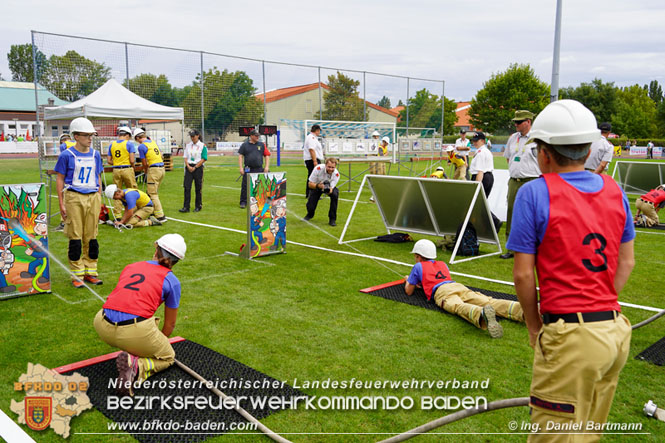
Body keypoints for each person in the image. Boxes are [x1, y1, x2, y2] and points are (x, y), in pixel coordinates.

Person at [508, 99, 634, 440]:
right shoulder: (614, 190)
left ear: (544, 153)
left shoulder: (535, 193)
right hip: (614, 330)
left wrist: (534, 327)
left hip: (571, 336)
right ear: (589, 146)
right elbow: (627, 261)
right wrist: (602, 300)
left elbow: (522, 274)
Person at [93, 234, 186, 396]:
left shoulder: (132, 266)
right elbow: (170, 325)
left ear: (156, 248)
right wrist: (156, 346)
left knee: (150, 321)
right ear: (177, 261)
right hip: (133, 332)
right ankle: (137, 367)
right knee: (168, 357)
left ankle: (136, 348)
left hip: (101, 324)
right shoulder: (172, 281)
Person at [405, 239, 524, 338]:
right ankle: (521, 310)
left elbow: (409, 291)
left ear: (418, 256)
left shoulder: (418, 266)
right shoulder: (442, 264)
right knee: (488, 301)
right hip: (457, 286)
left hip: (442, 292)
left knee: (458, 306)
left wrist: (408, 280)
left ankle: (481, 314)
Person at [54, 117, 104, 288]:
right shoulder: (67, 155)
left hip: (92, 196)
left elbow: (97, 176)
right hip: (74, 196)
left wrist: (99, 197)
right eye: (86, 135)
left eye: (92, 135)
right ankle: (77, 274)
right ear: (76, 136)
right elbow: (59, 179)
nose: (90, 139)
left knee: (92, 236)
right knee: (75, 236)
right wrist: (61, 203)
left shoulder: (96, 154)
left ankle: (91, 270)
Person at [501, 110, 539, 259]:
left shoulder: (537, 138)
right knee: (511, 212)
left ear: (528, 122)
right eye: (515, 122)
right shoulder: (513, 138)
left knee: (533, 214)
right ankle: (511, 248)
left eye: (519, 122)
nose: (515, 124)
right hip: (514, 181)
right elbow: (508, 158)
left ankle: (534, 246)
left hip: (532, 180)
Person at [469, 132, 502, 231]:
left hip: (482, 177)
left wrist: (477, 185)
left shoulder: (481, 153)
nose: (474, 143)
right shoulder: (483, 151)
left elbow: (480, 171)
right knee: (480, 203)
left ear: (483, 141)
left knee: (478, 203)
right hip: (486, 177)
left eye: (477, 141)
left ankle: (494, 222)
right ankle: (489, 224)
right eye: (473, 141)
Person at [134, 128, 167, 223]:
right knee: (152, 191)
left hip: (154, 169)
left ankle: (160, 216)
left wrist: (145, 170)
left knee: (152, 193)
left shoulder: (142, 146)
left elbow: (144, 162)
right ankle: (151, 210)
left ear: (137, 138)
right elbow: (161, 155)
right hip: (161, 168)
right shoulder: (153, 142)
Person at [107, 126, 138, 218]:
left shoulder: (112, 145)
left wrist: (117, 163)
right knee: (132, 190)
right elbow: (132, 160)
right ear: (127, 135)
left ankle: (117, 214)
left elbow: (109, 160)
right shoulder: (129, 144)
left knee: (116, 192)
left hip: (116, 170)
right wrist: (132, 167)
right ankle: (134, 211)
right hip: (127, 169)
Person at [238, 129, 271, 209]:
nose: (257, 137)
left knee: (260, 185)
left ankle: (259, 201)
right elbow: (240, 156)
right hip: (248, 169)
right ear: (251, 136)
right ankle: (243, 202)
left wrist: (266, 167)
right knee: (245, 186)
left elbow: (267, 155)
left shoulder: (262, 145)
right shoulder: (244, 145)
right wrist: (241, 168)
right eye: (256, 136)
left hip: (259, 168)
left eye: (258, 136)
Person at [303, 157, 340, 226]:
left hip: (328, 187)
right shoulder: (318, 169)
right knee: (310, 206)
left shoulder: (336, 174)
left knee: (335, 194)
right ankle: (310, 214)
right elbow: (310, 184)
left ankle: (332, 219)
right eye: (329, 167)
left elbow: (331, 189)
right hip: (317, 186)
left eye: (332, 167)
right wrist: (318, 186)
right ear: (325, 165)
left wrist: (328, 190)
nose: (331, 169)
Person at [179, 129, 207, 213]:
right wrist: (188, 166)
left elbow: (204, 158)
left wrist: (195, 167)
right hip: (189, 167)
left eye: (193, 136)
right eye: (191, 136)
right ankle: (186, 206)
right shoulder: (188, 145)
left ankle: (198, 205)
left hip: (198, 167)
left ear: (198, 136)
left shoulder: (202, 146)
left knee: (198, 187)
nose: (192, 138)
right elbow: (185, 156)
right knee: (187, 187)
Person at [20, 213, 49, 284]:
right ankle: (31, 273)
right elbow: (38, 248)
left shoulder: (48, 241)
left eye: (42, 225)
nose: (38, 227)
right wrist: (33, 247)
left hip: (46, 259)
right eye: (38, 224)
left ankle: (45, 277)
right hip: (40, 259)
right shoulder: (42, 239)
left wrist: (32, 253)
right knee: (32, 264)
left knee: (46, 267)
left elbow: (43, 254)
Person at [303, 124, 324, 198]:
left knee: (315, 176)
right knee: (313, 176)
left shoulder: (313, 138)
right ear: (317, 130)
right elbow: (311, 149)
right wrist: (315, 161)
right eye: (319, 131)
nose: (319, 133)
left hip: (313, 159)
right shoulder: (311, 138)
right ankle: (310, 194)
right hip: (312, 159)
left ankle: (313, 194)